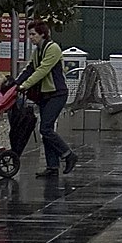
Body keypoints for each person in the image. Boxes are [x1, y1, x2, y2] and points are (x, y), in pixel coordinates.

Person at [16, 19, 77, 178]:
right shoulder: (37, 51)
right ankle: (52, 166)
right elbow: (30, 68)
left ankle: (68, 155)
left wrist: (25, 85)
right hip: (45, 95)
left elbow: (42, 70)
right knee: (46, 130)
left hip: (57, 94)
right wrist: (15, 83)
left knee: (46, 128)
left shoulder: (53, 48)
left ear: (43, 34)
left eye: (33, 34)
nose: (31, 38)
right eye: (29, 34)